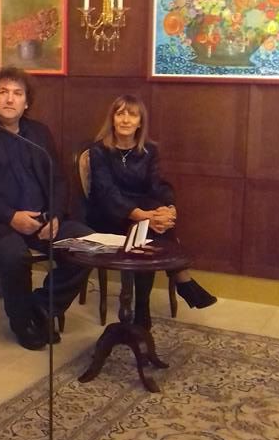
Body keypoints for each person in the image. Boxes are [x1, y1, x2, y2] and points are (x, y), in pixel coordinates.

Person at [0, 66, 93, 350]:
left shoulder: (38, 132)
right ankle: (22, 323)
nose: (9, 99)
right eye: (3, 92)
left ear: (26, 102)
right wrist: (11, 217)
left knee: (87, 244)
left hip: (40, 219)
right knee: (14, 254)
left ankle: (40, 307)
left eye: (17, 93)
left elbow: (58, 179)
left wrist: (55, 215)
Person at [84, 93, 216, 329]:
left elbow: (158, 185)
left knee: (153, 227)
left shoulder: (149, 150)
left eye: (132, 115)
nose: (125, 120)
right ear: (112, 119)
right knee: (148, 228)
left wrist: (169, 208)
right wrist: (144, 216)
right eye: (120, 114)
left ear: (140, 122)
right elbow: (106, 193)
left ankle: (145, 306)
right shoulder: (99, 151)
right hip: (108, 213)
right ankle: (180, 280)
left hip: (143, 211)